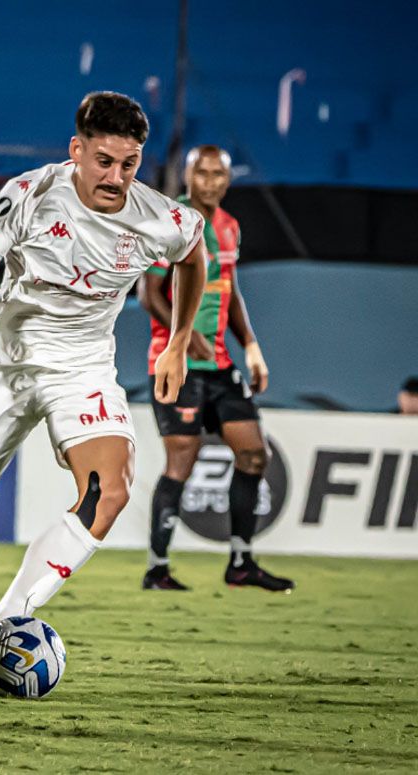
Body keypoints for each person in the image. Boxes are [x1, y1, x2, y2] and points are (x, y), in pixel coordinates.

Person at [0, 92, 208, 652]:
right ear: (76, 150)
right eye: (103, 160)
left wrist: (178, 341)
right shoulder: (29, 195)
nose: (116, 176)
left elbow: (192, 257)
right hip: (3, 363)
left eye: (129, 164)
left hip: (82, 367)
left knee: (110, 489)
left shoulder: (161, 217)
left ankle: (2, 623)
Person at [139, 145, 294, 593]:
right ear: (188, 176)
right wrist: (183, 334)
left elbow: (232, 291)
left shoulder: (228, 227)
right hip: (175, 363)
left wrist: (251, 345)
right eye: (201, 173)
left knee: (253, 454)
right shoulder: (170, 223)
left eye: (217, 174)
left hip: (221, 365)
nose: (209, 181)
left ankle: (241, 563)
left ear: (228, 179)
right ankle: (157, 568)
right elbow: (149, 296)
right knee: (181, 461)